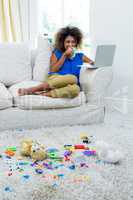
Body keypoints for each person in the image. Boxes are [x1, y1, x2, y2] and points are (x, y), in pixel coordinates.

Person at [18, 26, 94, 98]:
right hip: (55, 79)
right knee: (73, 78)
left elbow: (92, 63)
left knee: (76, 89)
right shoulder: (57, 53)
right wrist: (64, 55)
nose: (70, 44)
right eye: (67, 42)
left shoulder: (80, 56)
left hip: (69, 85)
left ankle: (43, 95)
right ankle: (33, 89)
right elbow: (53, 70)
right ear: (63, 43)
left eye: (73, 42)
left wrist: (94, 63)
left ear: (76, 43)